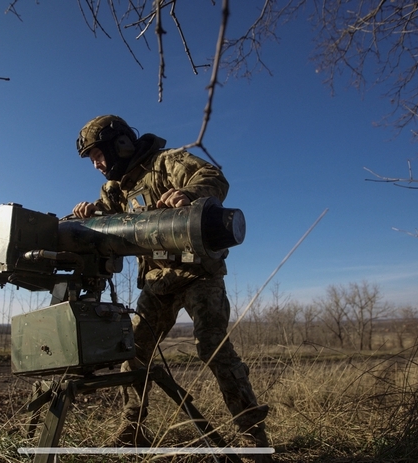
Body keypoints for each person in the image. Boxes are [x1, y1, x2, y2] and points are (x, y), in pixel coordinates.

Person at [72, 115, 271, 458]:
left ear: (120, 143)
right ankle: (133, 429)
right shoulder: (115, 189)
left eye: (98, 155)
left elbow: (213, 177)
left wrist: (188, 194)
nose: (96, 165)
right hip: (157, 283)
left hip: (198, 274)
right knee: (131, 352)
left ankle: (253, 435)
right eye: (91, 160)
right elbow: (104, 220)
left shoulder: (166, 162)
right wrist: (88, 213)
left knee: (212, 346)